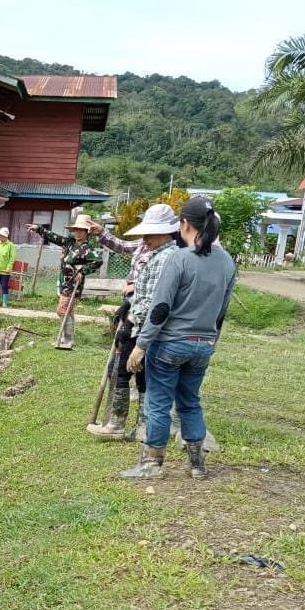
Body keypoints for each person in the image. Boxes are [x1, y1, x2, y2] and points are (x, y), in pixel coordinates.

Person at [120, 197, 236, 480]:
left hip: (169, 344)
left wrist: (141, 345)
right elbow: (221, 310)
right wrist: (210, 342)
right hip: (203, 345)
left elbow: (161, 308)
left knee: (158, 402)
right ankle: (197, 465)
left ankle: (151, 465)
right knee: (190, 401)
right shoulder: (227, 261)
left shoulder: (179, 258)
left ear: (184, 224)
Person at [85, 206, 181, 440]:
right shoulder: (153, 249)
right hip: (137, 313)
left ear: (166, 233)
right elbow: (123, 248)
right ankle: (139, 427)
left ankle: (124, 426)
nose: (145, 238)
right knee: (136, 372)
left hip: (145, 323)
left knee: (128, 370)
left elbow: (154, 299)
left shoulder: (166, 257)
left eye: (150, 233)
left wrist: (130, 322)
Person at [28, 215, 103, 316]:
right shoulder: (70, 243)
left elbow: (98, 261)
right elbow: (55, 237)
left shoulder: (87, 248)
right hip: (64, 283)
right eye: (76, 230)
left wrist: (83, 271)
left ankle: (67, 332)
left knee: (62, 311)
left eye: (81, 230)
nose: (78, 233)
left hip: (73, 285)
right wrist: (39, 229)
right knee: (67, 312)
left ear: (87, 232)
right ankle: (67, 332)